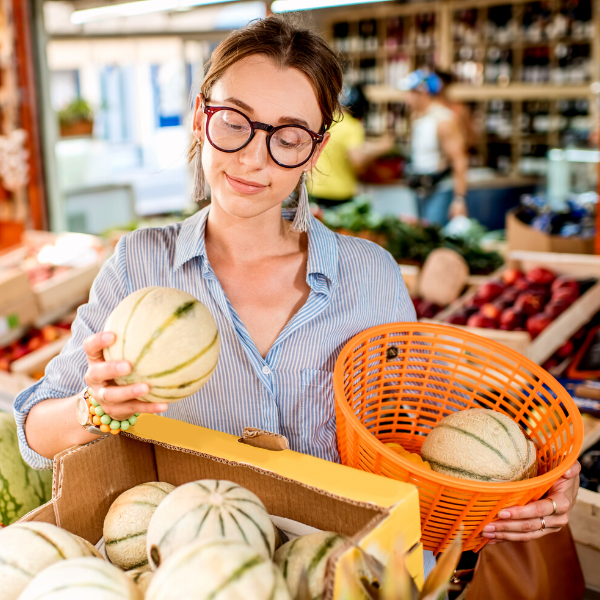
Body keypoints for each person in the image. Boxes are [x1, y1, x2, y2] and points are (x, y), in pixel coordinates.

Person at [15, 15, 579, 569]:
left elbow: (434, 431)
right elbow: (34, 432)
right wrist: (96, 408)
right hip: (196, 574)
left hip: (353, 570)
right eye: (234, 121)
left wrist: (534, 474)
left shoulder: (370, 274)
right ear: (199, 117)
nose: (254, 157)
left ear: (315, 149)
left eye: (287, 136)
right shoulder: (141, 263)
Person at [400, 69, 469, 226]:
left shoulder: (443, 121)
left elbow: (460, 160)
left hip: (440, 190)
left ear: (422, 93)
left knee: (434, 234)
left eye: (410, 93)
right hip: (421, 188)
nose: (406, 99)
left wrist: (459, 199)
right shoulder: (418, 118)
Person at [308, 84, 394, 207]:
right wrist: (383, 148)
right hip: (340, 194)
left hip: (314, 190)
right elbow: (357, 160)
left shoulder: (324, 121)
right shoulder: (351, 126)